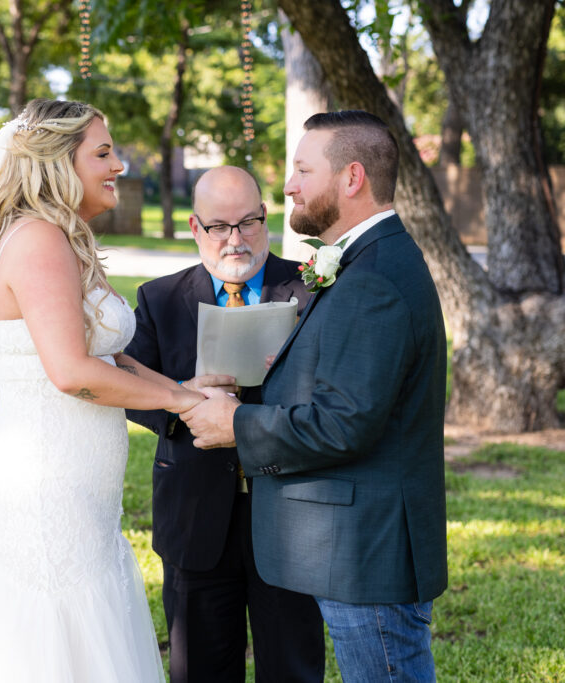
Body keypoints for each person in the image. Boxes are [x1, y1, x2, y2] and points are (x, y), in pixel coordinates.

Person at [0, 98, 229, 683]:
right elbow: (73, 372)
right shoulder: (38, 241)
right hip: (45, 480)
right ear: (59, 161)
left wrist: (184, 389)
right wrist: (184, 404)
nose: (120, 166)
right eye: (103, 153)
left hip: (78, 482)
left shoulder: (67, 238)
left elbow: (111, 358)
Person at [181, 110, 448, 682]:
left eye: (303, 169)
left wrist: (238, 423)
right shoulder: (366, 263)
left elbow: (346, 423)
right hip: (362, 549)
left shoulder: (374, 276)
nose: (289, 186)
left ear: (351, 178)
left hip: (368, 555)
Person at [124, 165, 323, 682]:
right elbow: (130, 394)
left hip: (289, 516)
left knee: (293, 668)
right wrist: (180, 401)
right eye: (219, 227)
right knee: (200, 670)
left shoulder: (311, 289)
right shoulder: (159, 299)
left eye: (249, 222)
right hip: (194, 516)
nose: (236, 240)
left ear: (266, 217)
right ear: (195, 228)